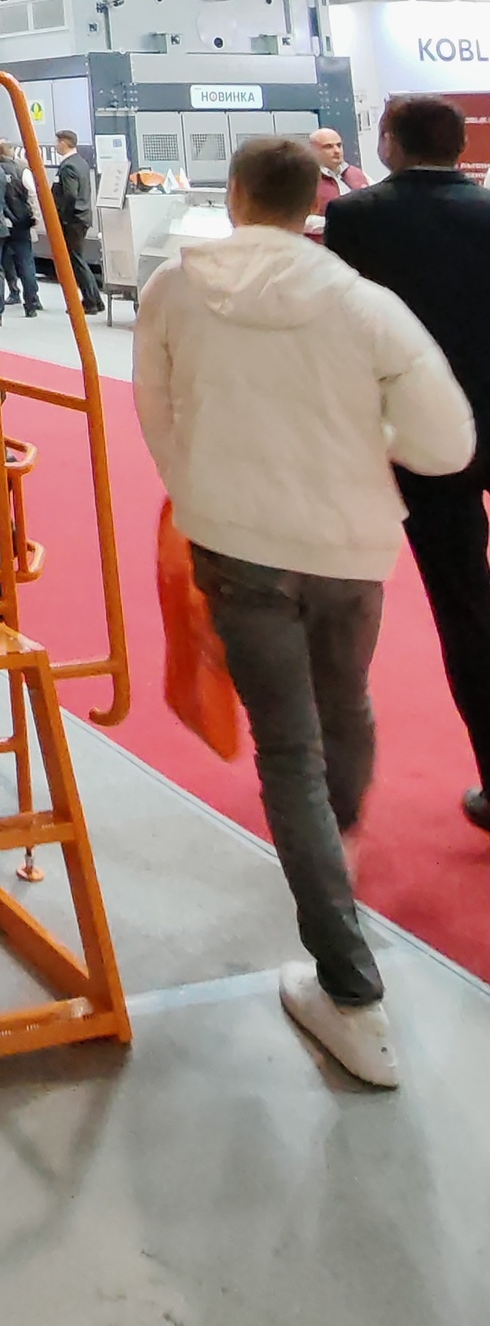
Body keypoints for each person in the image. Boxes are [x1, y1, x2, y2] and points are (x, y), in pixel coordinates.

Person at [134, 133, 472, 1088]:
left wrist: (200, 489)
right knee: (345, 705)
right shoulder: (367, 305)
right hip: (348, 549)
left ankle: (351, 990)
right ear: (314, 196)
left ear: (236, 195)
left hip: (234, 544)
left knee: (286, 746)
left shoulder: (173, 289)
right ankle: (337, 854)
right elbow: (445, 444)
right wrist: (371, 446)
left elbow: (155, 413)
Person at [325, 94, 490, 836]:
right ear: (458, 146)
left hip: (419, 435)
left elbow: (344, 326)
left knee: (465, 604)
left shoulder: (359, 218)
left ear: (388, 143)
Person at [0, 139, 40, 317]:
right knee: (26, 262)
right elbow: (32, 194)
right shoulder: (21, 170)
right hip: (21, 222)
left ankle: (9, 295)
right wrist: (35, 217)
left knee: (0, 263)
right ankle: (31, 302)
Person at [50, 130, 103, 312]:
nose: (56, 145)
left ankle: (90, 301)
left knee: (76, 261)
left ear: (64, 143)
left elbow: (70, 195)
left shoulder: (68, 166)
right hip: (82, 216)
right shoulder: (81, 162)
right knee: (78, 259)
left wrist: (63, 217)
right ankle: (95, 298)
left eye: (57, 142)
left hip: (73, 220)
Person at [310, 128, 369, 223]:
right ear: (313, 150)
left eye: (339, 145)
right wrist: (336, 223)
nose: (336, 151)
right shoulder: (307, 179)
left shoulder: (357, 174)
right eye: (328, 147)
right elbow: (299, 221)